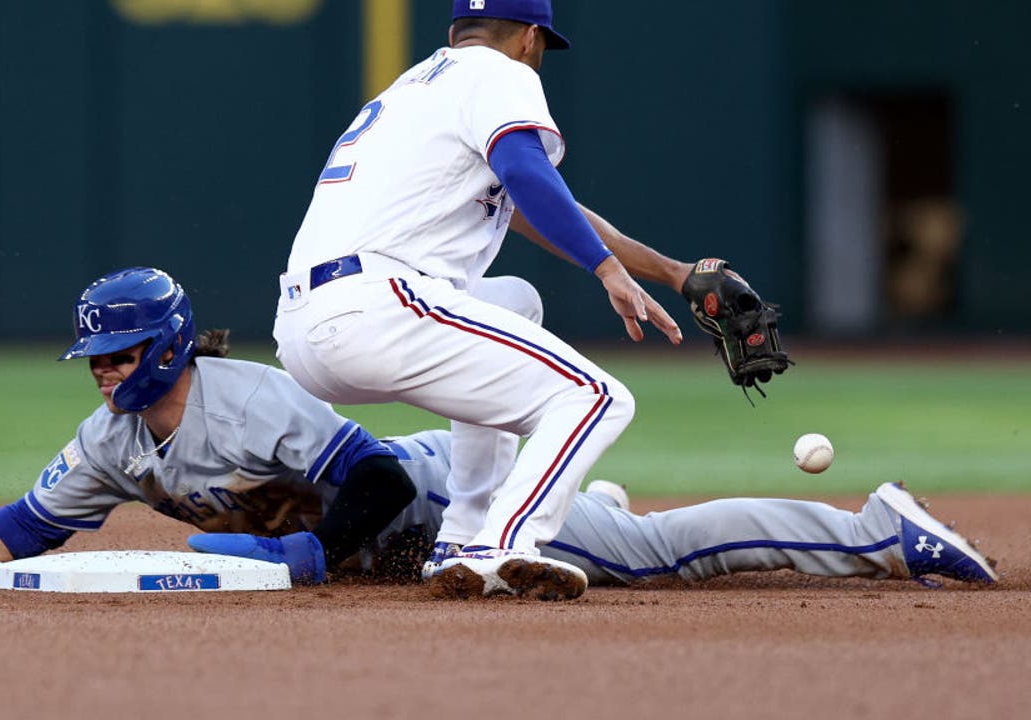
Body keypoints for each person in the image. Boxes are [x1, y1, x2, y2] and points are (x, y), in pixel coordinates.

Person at [0, 267, 998, 594]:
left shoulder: (252, 398)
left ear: (166, 346)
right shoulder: (112, 440)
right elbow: (28, 522)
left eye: (118, 352)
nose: (105, 370)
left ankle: (871, 529)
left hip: (431, 498)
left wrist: (310, 558)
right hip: (382, 525)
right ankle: (596, 501)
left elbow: (369, 471)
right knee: (610, 527)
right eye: (94, 356)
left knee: (644, 561)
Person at [272, 0, 765, 599]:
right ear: (531, 37)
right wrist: (606, 270)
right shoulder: (501, 74)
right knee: (596, 398)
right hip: (378, 305)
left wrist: (673, 272)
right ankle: (503, 543)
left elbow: (539, 199)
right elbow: (528, 173)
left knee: (514, 300)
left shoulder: (417, 86)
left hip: (307, 328)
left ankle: (464, 532)